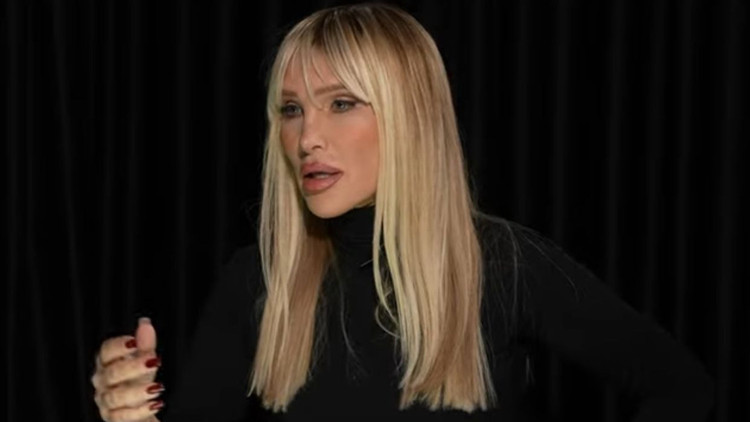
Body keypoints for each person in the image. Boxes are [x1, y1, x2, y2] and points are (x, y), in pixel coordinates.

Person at [90, 3, 714, 421]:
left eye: (341, 104)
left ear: (409, 119)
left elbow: (682, 388)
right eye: (291, 110)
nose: (307, 137)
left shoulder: (502, 264)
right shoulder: (257, 280)